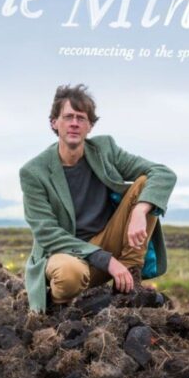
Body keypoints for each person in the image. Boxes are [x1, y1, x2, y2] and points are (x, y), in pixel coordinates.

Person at [19, 84, 177, 313]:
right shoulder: (34, 172)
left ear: (90, 125)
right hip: (67, 253)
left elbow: (162, 174)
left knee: (143, 184)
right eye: (68, 116)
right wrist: (107, 260)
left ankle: (129, 284)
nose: (74, 123)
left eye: (81, 118)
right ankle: (59, 309)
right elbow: (47, 234)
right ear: (54, 122)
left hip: (108, 242)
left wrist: (139, 211)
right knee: (68, 275)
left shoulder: (104, 150)